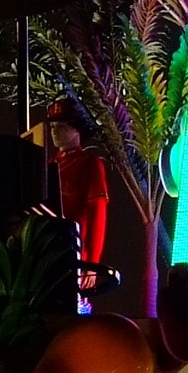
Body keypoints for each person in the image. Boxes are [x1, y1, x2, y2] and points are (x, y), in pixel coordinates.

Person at [43, 99, 108, 266]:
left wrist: (92, 262)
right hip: (47, 253)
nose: (55, 131)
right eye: (52, 126)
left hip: (75, 253)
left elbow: (97, 215)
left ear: (77, 129)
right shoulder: (47, 165)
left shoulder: (89, 163)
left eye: (62, 125)